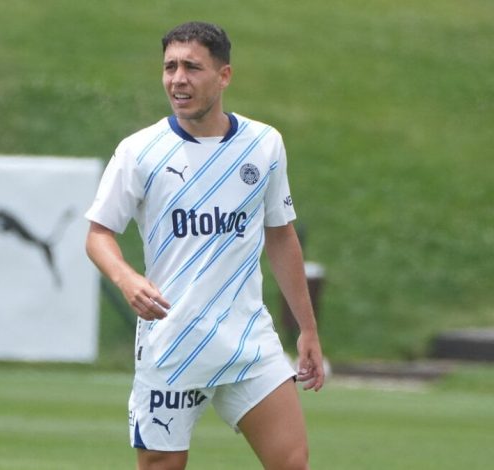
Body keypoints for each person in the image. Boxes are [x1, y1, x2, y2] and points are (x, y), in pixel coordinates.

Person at [85, 21, 324, 470]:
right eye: (170, 67)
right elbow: (98, 235)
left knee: (292, 463)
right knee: (162, 465)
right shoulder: (140, 151)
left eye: (192, 68)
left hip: (247, 339)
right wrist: (127, 278)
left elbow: (280, 234)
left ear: (224, 75)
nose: (178, 79)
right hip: (173, 340)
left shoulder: (263, 144)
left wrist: (307, 329)